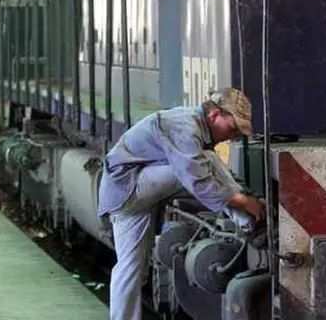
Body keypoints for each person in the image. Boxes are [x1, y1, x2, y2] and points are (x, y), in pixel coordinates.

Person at [97, 87, 266, 320]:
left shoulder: (190, 124)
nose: (232, 136)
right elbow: (198, 181)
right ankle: (248, 221)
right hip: (128, 187)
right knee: (199, 166)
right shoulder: (184, 127)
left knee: (131, 269)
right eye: (232, 127)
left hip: (124, 193)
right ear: (215, 114)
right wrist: (245, 201)